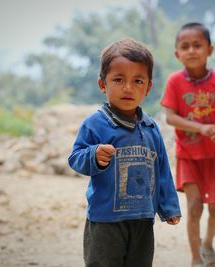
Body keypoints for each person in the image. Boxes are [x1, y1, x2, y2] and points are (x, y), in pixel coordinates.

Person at [68, 38, 181, 267]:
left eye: (137, 81)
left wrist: (169, 206)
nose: (128, 88)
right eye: (118, 79)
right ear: (102, 84)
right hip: (106, 220)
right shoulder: (95, 124)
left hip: (142, 219)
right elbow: (75, 158)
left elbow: (162, 170)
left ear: (148, 87)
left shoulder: (150, 127)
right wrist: (93, 155)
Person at [161, 22, 215, 267]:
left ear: (210, 49)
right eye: (185, 46)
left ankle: (207, 244)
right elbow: (170, 117)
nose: (192, 50)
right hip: (187, 155)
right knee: (194, 207)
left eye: (198, 45)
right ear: (177, 54)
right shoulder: (175, 81)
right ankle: (195, 259)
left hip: (214, 155)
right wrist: (202, 128)